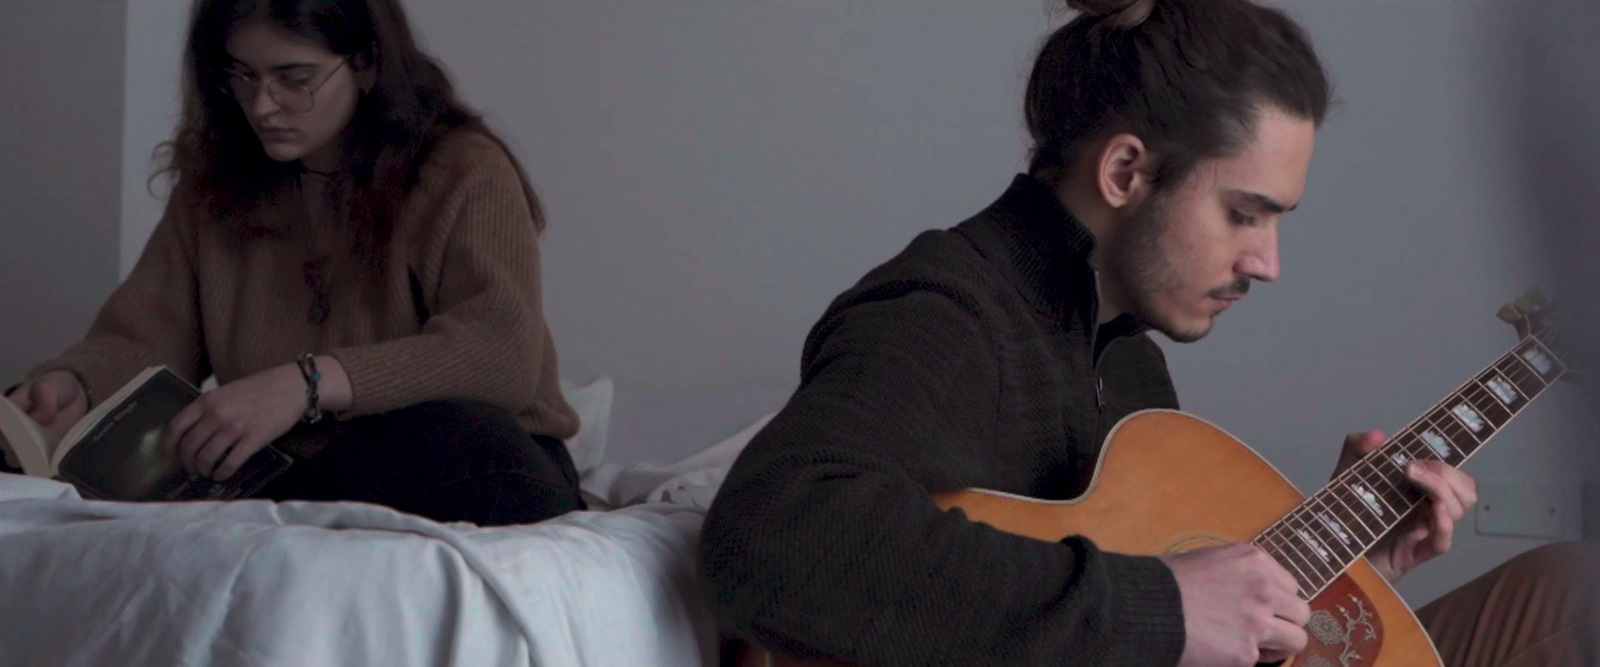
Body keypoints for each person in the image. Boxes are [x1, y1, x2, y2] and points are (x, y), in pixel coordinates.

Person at [698, 1, 1589, 665]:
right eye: (1245, 214)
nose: (1268, 261)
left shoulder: (1128, 363)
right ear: (1127, 170)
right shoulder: (947, 309)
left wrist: (1357, 569)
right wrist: (1159, 603)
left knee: (1567, 584)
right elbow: (775, 534)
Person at [2, 0, 584, 527]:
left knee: (451, 436)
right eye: (242, 76)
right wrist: (72, 383)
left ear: (366, 63)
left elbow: (500, 355)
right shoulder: (214, 186)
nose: (262, 105)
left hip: (470, 459)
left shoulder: (463, 169)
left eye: (293, 78)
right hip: (293, 474)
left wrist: (306, 385)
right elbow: (146, 338)